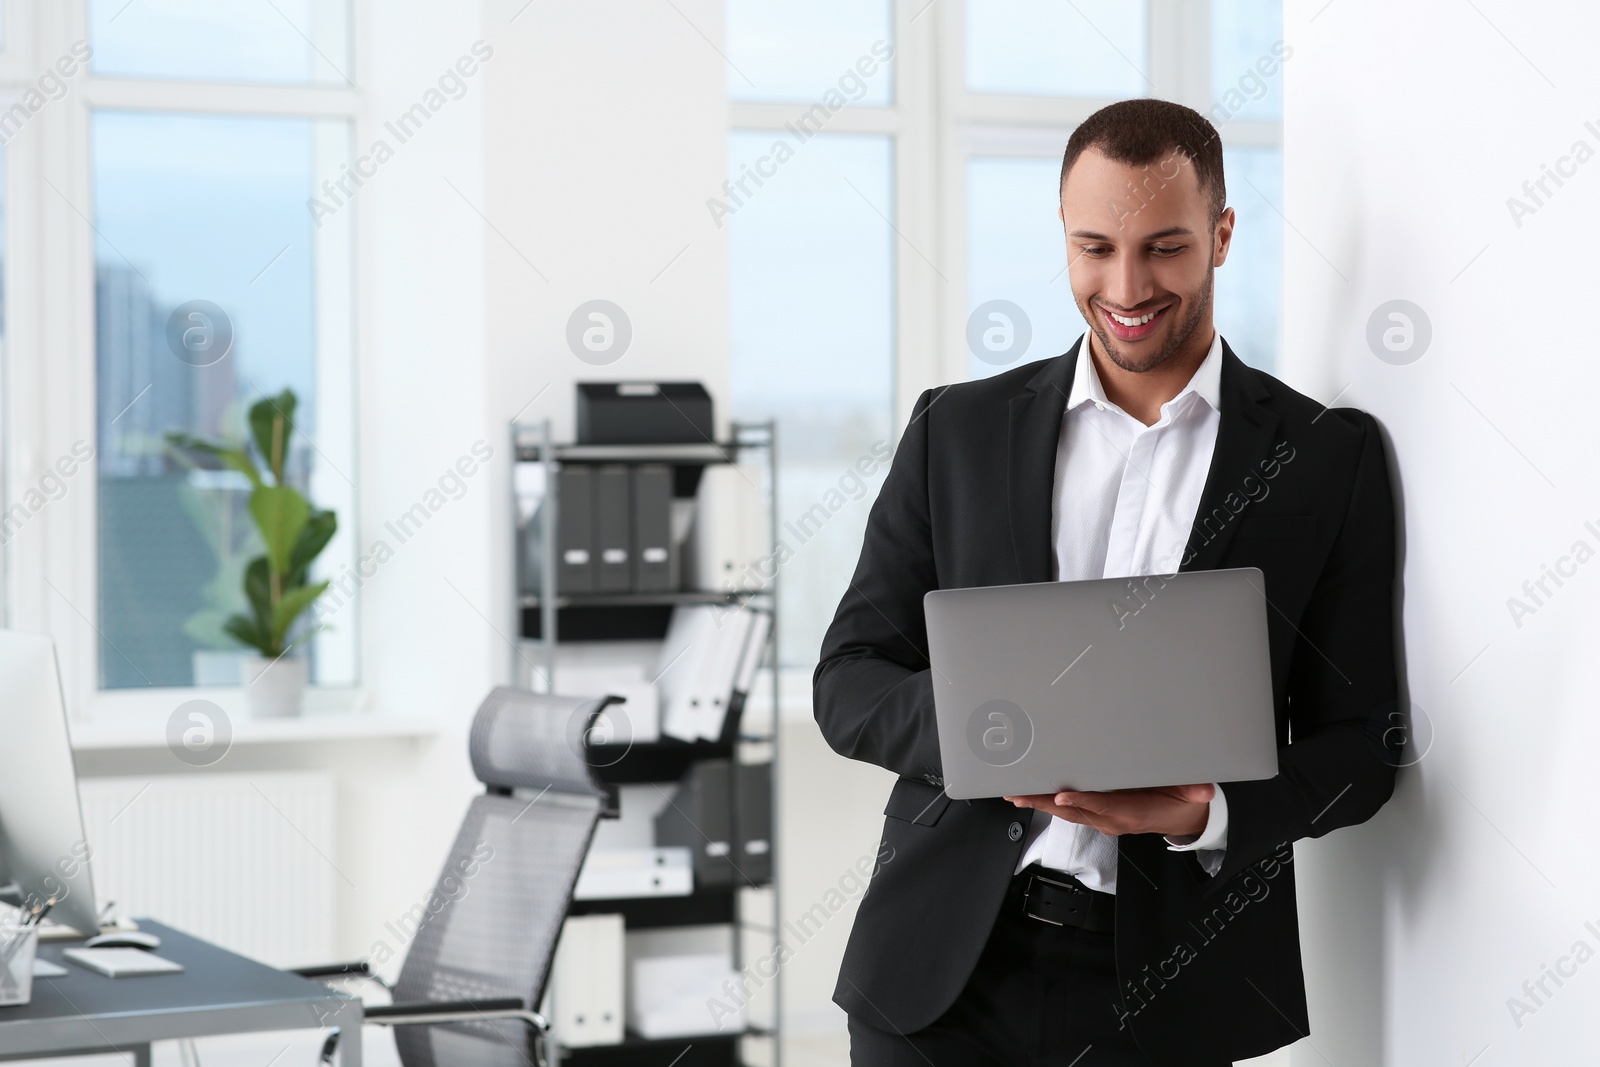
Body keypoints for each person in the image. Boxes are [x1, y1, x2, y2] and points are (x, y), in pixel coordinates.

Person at [814, 98, 1402, 1065]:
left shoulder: (1320, 458)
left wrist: (1204, 812)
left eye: (1165, 247)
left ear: (1221, 235)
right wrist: (993, 732)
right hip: (937, 978)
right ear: (1063, 235)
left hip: (1175, 993)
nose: (1127, 285)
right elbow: (848, 679)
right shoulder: (956, 432)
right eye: (1096, 247)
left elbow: (1364, 745)